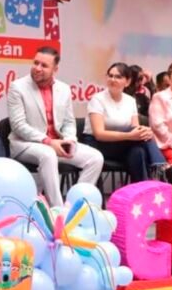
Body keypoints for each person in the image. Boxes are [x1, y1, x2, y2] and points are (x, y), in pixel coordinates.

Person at [7, 46, 104, 207]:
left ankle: (74, 207)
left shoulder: (64, 89)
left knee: (95, 158)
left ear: (55, 69)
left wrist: (69, 140)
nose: (37, 68)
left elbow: (68, 122)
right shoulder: (17, 87)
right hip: (26, 145)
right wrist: (48, 141)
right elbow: (18, 126)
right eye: (35, 63)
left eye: (44, 66)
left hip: (57, 144)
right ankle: (58, 211)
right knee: (48, 155)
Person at [85, 62, 172, 185]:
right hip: (98, 144)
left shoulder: (130, 101)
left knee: (139, 151)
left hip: (121, 144)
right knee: (142, 137)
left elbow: (136, 129)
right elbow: (99, 134)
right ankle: (164, 169)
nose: (113, 79)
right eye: (110, 76)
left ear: (127, 82)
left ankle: (141, 193)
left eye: (118, 77)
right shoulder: (97, 99)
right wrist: (130, 136)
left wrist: (144, 132)